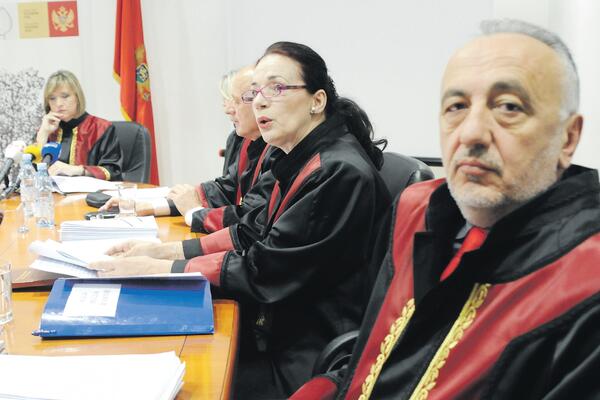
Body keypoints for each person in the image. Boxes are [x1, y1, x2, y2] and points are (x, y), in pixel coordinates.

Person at [290, 19, 600, 400]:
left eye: (508, 107)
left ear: (568, 137)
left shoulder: (586, 281)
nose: (470, 133)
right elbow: (371, 359)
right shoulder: (417, 209)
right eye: (456, 106)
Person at [90, 42, 391, 398]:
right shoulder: (299, 158)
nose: (259, 102)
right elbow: (250, 232)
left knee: (180, 378)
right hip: (272, 325)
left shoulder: (336, 171)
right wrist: (162, 252)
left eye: (276, 88)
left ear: (317, 101)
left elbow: (264, 269)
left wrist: (163, 269)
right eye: (256, 91)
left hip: (306, 354)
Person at [102, 66, 279, 234]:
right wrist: (152, 206)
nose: (228, 109)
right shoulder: (247, 141)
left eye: (237, 100)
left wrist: (194, 213)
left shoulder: (277, 150)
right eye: (228, 99)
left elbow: (252, 220)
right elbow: (226, 189)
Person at [36, 70, 123, 181]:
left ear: (77, 97)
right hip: (53, 191)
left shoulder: (101, 128)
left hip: (91, 191)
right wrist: (43, 135)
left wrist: (79, 170)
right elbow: (32, 176)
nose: (58, 104)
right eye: (52, 98)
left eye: (65, 96)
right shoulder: (48, 129)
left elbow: (113, 171)